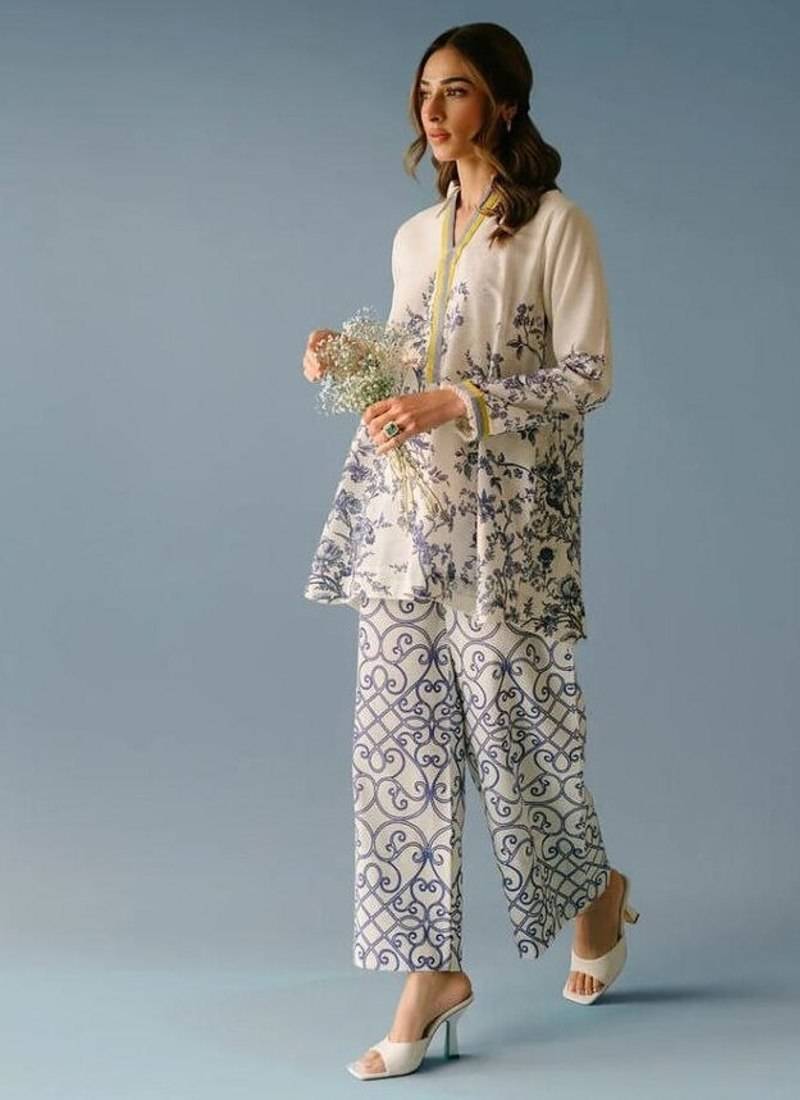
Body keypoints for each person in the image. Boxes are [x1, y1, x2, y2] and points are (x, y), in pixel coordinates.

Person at [302, 21, 640, 1082]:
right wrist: (350, 360)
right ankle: (429, 974)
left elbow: (587, 371)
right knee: (396, 752)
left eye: (453, 90)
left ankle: (598, 895)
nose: (432, 109)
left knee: (521, 747)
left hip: (508, 540)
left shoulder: (555, 227)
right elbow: (409, 357)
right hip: (406, 528)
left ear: (502, 102)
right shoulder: (414, 236)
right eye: (422, 92)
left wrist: (463, 401)